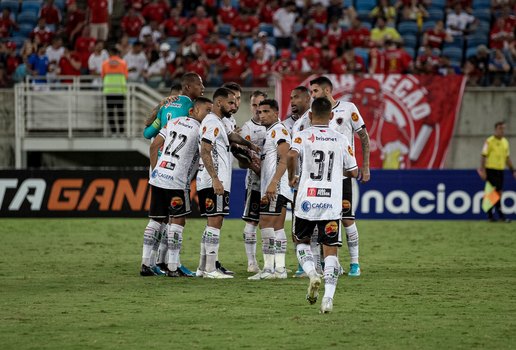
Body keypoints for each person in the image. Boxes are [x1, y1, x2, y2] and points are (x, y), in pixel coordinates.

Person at [292, 76, 370, 277]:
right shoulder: (308, 120)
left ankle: (354, 263)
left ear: (327, 90)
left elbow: (363, 136)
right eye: (311, 92)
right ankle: (324, 265)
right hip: (321, 179)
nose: (312, 95)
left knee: (347, 219)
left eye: (315, 91)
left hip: (342, 177)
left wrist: (366, 166)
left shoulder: (348, 108)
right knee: (320, 221)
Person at [287, 97, 359, 314]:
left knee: (301, 241)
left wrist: (293, 176)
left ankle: (311, 274)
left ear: (309, 115)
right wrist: (337, 171)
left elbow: (291, 155)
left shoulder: (301, 136)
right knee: (331, 252)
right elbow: (354, 171)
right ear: (331, 116)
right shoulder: (340, 139)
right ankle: (328, 298)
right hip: (331, 202)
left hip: (307, 200)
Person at [145, 97, 214, 277]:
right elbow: (204, 154)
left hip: (159, 177)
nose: (209, 115)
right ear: (193, 111)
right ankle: (173, 267)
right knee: (178, 221)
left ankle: (146, 264)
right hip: (177, 182)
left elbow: (154, 147)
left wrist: (155, 171)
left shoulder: (173, 122)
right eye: (207, 110)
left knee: (155, 220)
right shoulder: (201, 130)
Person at [195, 87, 260, 279]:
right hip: (214, 180)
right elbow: (205, 150)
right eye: (230, 102)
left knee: (212, 222)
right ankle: (210, 269)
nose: (234, 106)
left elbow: (231, 136)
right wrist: (215, 179)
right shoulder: (213, 123)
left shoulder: (219, 123)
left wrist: (249, 145)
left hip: (212, 179)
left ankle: (202, 266)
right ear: (218, 103)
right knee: (216, 222)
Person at [248, 99, 293, 280]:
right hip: (276, 186)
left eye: (266, 111)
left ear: (276, 113)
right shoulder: (271, 132)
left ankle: (268, 269)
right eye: (259, 112)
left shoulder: (279, 130)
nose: (262, 115)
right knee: (277, 228)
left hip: (276, 187)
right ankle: (280, 269)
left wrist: (273, 182)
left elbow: (285, 157)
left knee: (265, 224)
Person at [239, 91, 267, 273]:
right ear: (250, 106)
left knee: (270, 223)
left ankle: (270, 263)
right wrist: (256, 168)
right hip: (255, 183)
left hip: (273, 183)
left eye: (261, 105)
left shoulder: (275, 126)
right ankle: (251, 262)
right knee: (252, 221)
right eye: (254, 105)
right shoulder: (247, 128)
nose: (258, 109)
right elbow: (242, 157)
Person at [143, 72, 205, 139]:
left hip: (162, 148)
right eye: (199, 84)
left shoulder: (165, 107)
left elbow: (147, 134)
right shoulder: (193, 108)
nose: (203, 87)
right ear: (188, 87)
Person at [478, 121, 516, 222]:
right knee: (497, 191)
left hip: (500, 170)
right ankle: (501, 216)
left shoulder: (505, 142)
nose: (502, 131)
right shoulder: (489, 141)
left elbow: (507, 158)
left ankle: (490, 215)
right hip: (491, 170)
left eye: (503, 128)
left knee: (494, 192)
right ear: (496, 129)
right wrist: (483, 170)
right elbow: (483, 156)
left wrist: (513, 170)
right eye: (500, 128)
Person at [101, 47, 128, 135]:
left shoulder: (104, 64)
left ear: (110, 53)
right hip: (120, 90)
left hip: (109, 90)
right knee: (120, 111)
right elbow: (126, 76)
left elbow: (102, 76)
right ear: (117, 53)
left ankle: (113, 132)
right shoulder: (123, 63)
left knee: (110, 112)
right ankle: (121, 131)